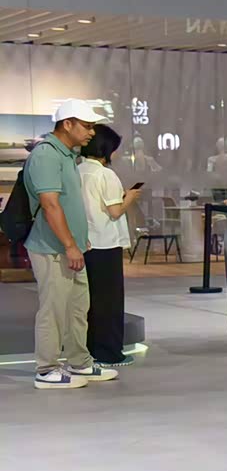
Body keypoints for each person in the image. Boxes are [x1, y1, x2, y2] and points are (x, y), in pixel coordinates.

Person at [25, 101, 118, 390]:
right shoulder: (46, 155)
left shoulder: (67, 155)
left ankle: (80, 362)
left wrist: (77, 240)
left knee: (78, 307)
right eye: (86, 126)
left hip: (71, 247)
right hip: (52, 248)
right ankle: (46, 369)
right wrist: (69, 244)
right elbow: (50, 204)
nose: (91, 132)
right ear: (67, 124)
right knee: (53, 309)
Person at [80, 125, 142, 367]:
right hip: (106, 244)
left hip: (86, 243)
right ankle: (110, 353)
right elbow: (115, 211)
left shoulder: (78, 170)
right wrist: (130, 198)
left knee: (90, 301)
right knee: (110, 301)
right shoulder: (105, 175)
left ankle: (91, 349)